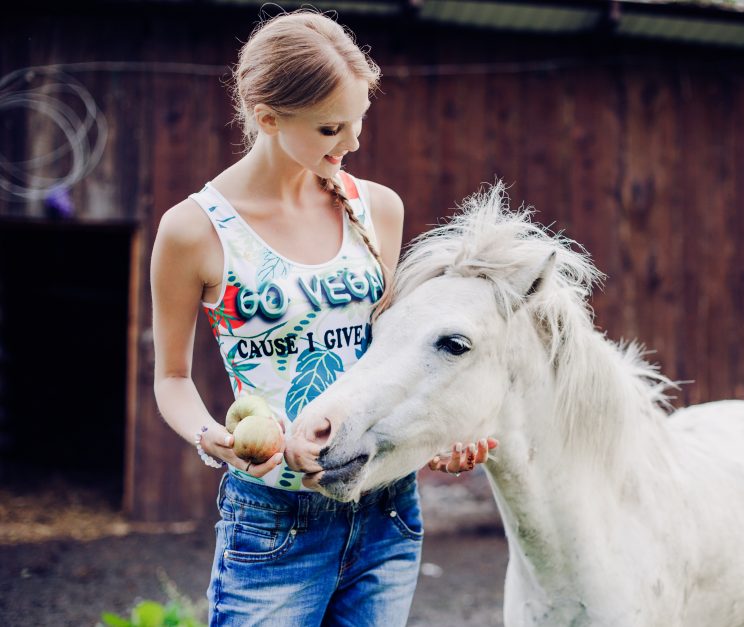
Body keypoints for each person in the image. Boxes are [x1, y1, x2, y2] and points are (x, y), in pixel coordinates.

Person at [150, 10, 496, 625]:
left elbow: (388, 357)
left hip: (386, 504)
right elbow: (171, 379)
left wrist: (434, 441)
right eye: (332, 127)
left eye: (359, 122)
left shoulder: (378, 210)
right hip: (273, 521)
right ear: (268, 117)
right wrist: (216, 442)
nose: (353, 143)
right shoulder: (194, 230)